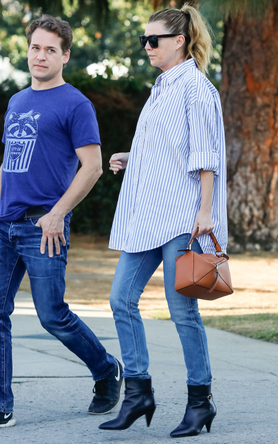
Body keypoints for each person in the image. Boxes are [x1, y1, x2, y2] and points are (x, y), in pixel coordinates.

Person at [0, 15, 123, 433]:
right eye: (35, 47)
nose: (41, 55)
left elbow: (92, 167)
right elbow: (7, 167)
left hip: (42, 228)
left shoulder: (75, 104)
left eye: (51, 49)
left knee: (52, 315)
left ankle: (107, 370)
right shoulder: (17, 101)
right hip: (3, 227)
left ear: (65, 55)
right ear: (27, 49)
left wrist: (58, 213)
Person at [99, 3, 227, 438]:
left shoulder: (196, 87)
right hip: (147, 215)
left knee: (182, 310)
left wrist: (205, 211)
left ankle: (200, 401)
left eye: (154, 39)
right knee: (121, 299)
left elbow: (205, 156)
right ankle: (138, 393)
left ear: (179, 41)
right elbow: (170, 150)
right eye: (144, 40)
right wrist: (131, 158)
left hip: (181, 217)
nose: (147, 46)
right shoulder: (161, 87)